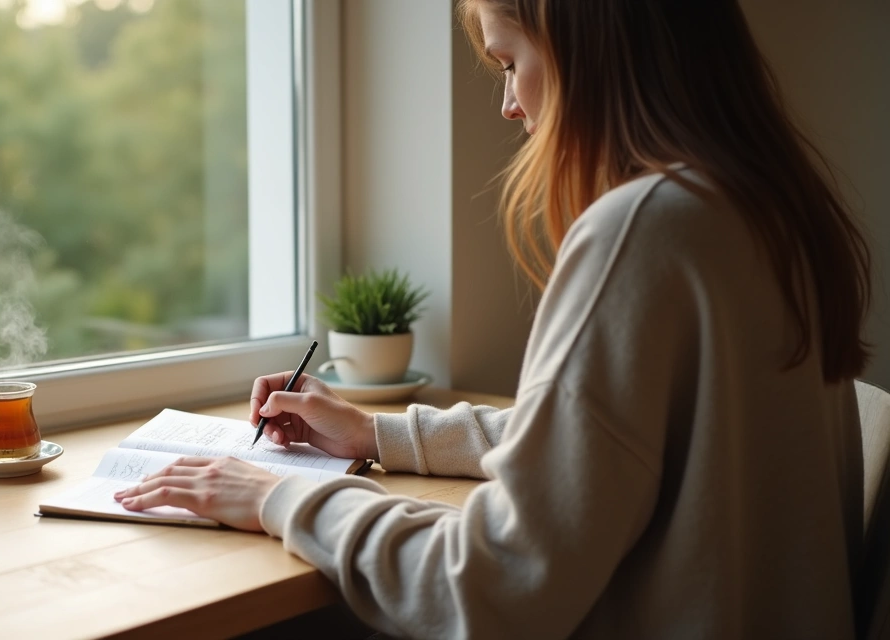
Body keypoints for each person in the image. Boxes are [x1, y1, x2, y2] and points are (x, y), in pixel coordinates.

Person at [114, 0, 873, 637]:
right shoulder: (767, 216)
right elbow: (600, 443)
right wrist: (377, 433)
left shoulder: (641, 232)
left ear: (590, 46)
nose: (509, 104)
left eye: (510, 62)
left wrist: (278, 497)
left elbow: (491, 588)